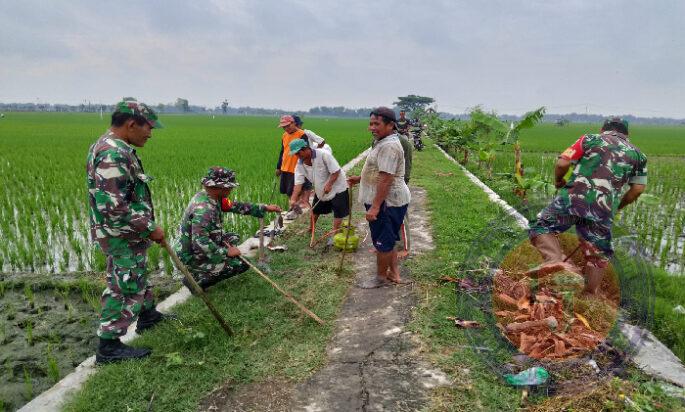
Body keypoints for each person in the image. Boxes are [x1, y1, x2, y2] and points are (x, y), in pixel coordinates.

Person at [87, 100, 168, 364]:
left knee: (135, 273)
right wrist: (150, 227)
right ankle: (108, 347)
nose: (151, 133)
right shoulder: (112, 153)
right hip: (121, 233)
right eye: (149, 128)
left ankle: (148, 316)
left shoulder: (119, 147)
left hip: (128, 232)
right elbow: (113, 207)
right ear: (131, 124)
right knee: (123, 285)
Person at [528, 117, 647, 295]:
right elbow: (637, 189)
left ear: (602, 129)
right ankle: (589, 294)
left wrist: (559, 181)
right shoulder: (639, 155)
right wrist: (617, 207)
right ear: (627, 134)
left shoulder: (589, 139)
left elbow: (562, 162)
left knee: (541, 226)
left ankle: (552, 261)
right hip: (603, 209)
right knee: (598, 253)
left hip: (572, 199)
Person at [175, 167, 281, 290]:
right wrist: (226, 252)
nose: (231, 189)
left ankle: (205, 268)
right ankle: (197, 279)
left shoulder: (212, 197)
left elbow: (236, 206)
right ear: (220, 188)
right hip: (191, 255)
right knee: (240, 265)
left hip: (199, 245)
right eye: (229, 187)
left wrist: (264, 208)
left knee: (232, 238)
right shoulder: (205, 210)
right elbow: (200, 243)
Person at [348, 107, 411, 287]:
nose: (372, 127)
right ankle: (393, 274)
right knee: (388, 239)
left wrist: (376, 206)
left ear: (391, 125)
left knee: (383, 241)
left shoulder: (389, 146)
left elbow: (386, 179)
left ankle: (380, 278)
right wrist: (360, 179)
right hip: (387, 201)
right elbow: (380, 171)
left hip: (387, 203)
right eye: (370, 123)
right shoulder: (383, 142)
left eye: (376, 124)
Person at [288, 139, 349, 247]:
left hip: (337, 186)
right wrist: (293, 199)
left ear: (306, 149)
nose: (297, 156)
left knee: (338, 211)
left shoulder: (324, 155)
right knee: (315, 210)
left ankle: (334, 233)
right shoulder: (300, 165)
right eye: (295, 154)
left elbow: (336, 171)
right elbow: (298, 184)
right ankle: (311, 228)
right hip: (320, 188)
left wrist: (329, 184)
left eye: (298, 153)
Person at [276, 115, 311, 216]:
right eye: (283, 127)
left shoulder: (301, 134)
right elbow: (282, 151)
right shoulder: (284, 136)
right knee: (288, 191)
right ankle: (294, 209)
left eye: (287, 126)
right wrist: (278, 167)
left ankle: (295, 211)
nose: (285, 128)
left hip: (296, 167)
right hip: (285, 167)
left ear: (293, 123)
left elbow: (306, 151)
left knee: (295, 191)